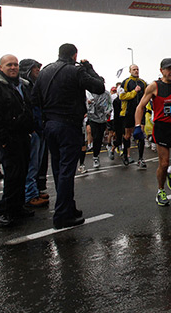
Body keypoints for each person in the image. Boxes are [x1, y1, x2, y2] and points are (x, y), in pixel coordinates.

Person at [34, 43, 105, 229]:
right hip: (68, 125)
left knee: (58, 169)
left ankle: (67, 207)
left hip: (50, 124)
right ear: (75, 55)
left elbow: (35, 98)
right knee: (66, 170)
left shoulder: (45, 71)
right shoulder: (76, 71)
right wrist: (89, 68)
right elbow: (98, 87)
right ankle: (62, 215)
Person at [0, 54, 35, 226]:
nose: (13, 67)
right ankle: (4, 210)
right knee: (12, 176)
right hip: (8, 139)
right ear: (1, 67)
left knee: (21, 173)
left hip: (23, 137)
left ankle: (17, 207)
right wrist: (2, 140)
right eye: (9, 64)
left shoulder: (23, 85)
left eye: (16, 65)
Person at [135, 58, 171, 206]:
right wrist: (137, 125)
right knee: (163, 163)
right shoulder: (154, 86)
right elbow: (140, 106)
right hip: (162, 128)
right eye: (168, 69)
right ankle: (161, 190)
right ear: (161, 71)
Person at [18, 59, 49, 208]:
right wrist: (33, 127)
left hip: (39, 127)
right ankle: (30, 194)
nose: (38, 70)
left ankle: (34, 191)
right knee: (31, 164)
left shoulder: (33, 85)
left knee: (37, 164)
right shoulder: (24, 86)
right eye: (35, 68)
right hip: (32, 129)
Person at [118, 65, 148, 167]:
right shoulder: (126, 82)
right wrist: (134, 92)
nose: (136, 71)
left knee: (141, 135)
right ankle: (125, 155)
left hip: (140, 112)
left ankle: (141, 158)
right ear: (130, 71)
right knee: (127, 135)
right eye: (134, 70)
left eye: (137, 69)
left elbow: (147, 95)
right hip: (128, 112)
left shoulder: (143, 82)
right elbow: (122, 96)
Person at [86, 84, 112, 169]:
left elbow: (109, 104)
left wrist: (108, 112)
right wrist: (88, 104)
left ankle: (98, 154)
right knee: (95, 136)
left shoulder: (106, 93)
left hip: (103, 119)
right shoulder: (91, 93)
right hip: (93, 118)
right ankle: (95, 157)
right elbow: (86, 103)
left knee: (100, 137)